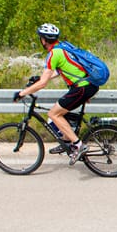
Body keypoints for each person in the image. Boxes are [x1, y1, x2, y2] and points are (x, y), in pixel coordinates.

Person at [13, 23, 100, 165]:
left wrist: (22, 93)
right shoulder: (65, 47)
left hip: (81, 88)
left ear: (43, 40)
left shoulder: (53, 54)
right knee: (61, 111)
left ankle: (78, 145)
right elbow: (62, 70)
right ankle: (67, 141)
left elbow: (43, 84)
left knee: (54, 114)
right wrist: (40, 78)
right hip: (88, 85)